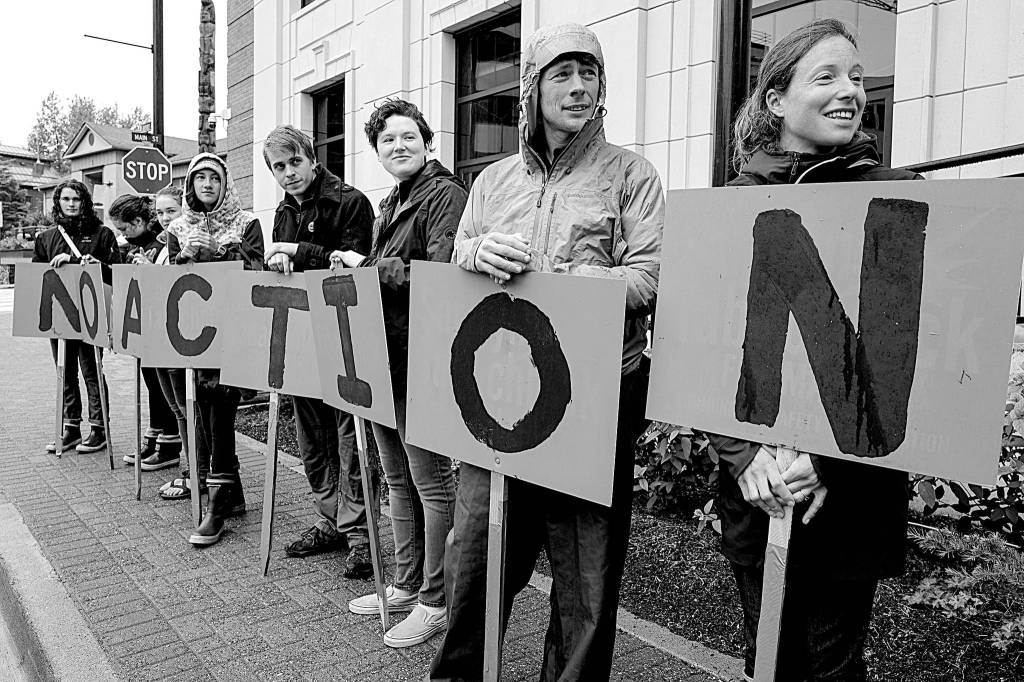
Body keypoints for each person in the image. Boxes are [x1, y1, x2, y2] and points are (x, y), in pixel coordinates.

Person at [429, 24, 664, 681]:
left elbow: (651, 275)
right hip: (496, 398)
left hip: (595, 401)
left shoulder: (633, 175)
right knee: (474, 560)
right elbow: (457, 258)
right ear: (531, 89)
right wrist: (472, 254)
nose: (580, 86)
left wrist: (584, 287)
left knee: (586, 582)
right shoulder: (492, 181)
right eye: (562, 74)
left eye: (589, 73)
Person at [712, 18, 918, 682]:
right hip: (760, 489)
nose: (849, 91)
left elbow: (910, 359)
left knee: (833, 664)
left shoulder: (900, 196)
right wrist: (745, 459)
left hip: (849, 493)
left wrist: (827, 462)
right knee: (767, 656)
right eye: (825, 76)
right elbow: (704, 350)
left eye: (857, 77)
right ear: (777, 100)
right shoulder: (730, 207)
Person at [329, 99, 467, 648]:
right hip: (385, 357)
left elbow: (441, 275)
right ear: (378, 152)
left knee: (431, 481)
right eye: (387, 141)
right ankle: (408, 585)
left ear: (427, 142)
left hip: (419, 356)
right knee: (397, 480)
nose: (398, 147)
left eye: (408, 137)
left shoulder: (444, 195)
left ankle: (438, 598)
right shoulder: (394, 200)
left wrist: (366, 265)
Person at [261, 124, 377, 579]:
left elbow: (354, 260)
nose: (288, 174)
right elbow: (277, 262)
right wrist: (280, 258)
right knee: (311, 436)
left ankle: (361, 535)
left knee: (351, 438)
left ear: (312, 158)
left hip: (345, 335)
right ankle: (330, 519)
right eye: (278, 167)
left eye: (294, 163)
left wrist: (296, 249)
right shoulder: (282, 212)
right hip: (302, 334)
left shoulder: (350, 201)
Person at [165, 153, 264, 546]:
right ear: (190, 185)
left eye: (214, 178)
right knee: (201, 411)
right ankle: (228, 490)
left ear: (226, 184)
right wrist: (185, 255)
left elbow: (257, 270)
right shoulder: (176, 227)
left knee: (222, 406)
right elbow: (169, 281)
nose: (207, 184)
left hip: (232, 329)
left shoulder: (246, 222)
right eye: (200, 177)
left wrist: (220, 252)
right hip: (192, 332)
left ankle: (218, 499)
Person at [32, 179, 121, 454]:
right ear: (58, 202)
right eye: (66, 199)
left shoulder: (102, 234)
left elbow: (118, 274)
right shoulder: (45, 238)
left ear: (85, 202)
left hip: (92, 315)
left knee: (91, 370)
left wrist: (95, 265)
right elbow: (38, 278)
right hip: (60, 315)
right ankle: (70, 428)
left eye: (76, 199)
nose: (71, 204)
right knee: (65, 372)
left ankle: (99, 428)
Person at [107, 193, 182, 471]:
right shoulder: (139, 246)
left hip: (162, 325)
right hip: (145, 324)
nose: (123, 235)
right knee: (153, 382)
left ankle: (170, 443)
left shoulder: (158, 244)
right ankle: (155, 435)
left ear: (138, 221)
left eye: (125, 229)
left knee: (163, 386)